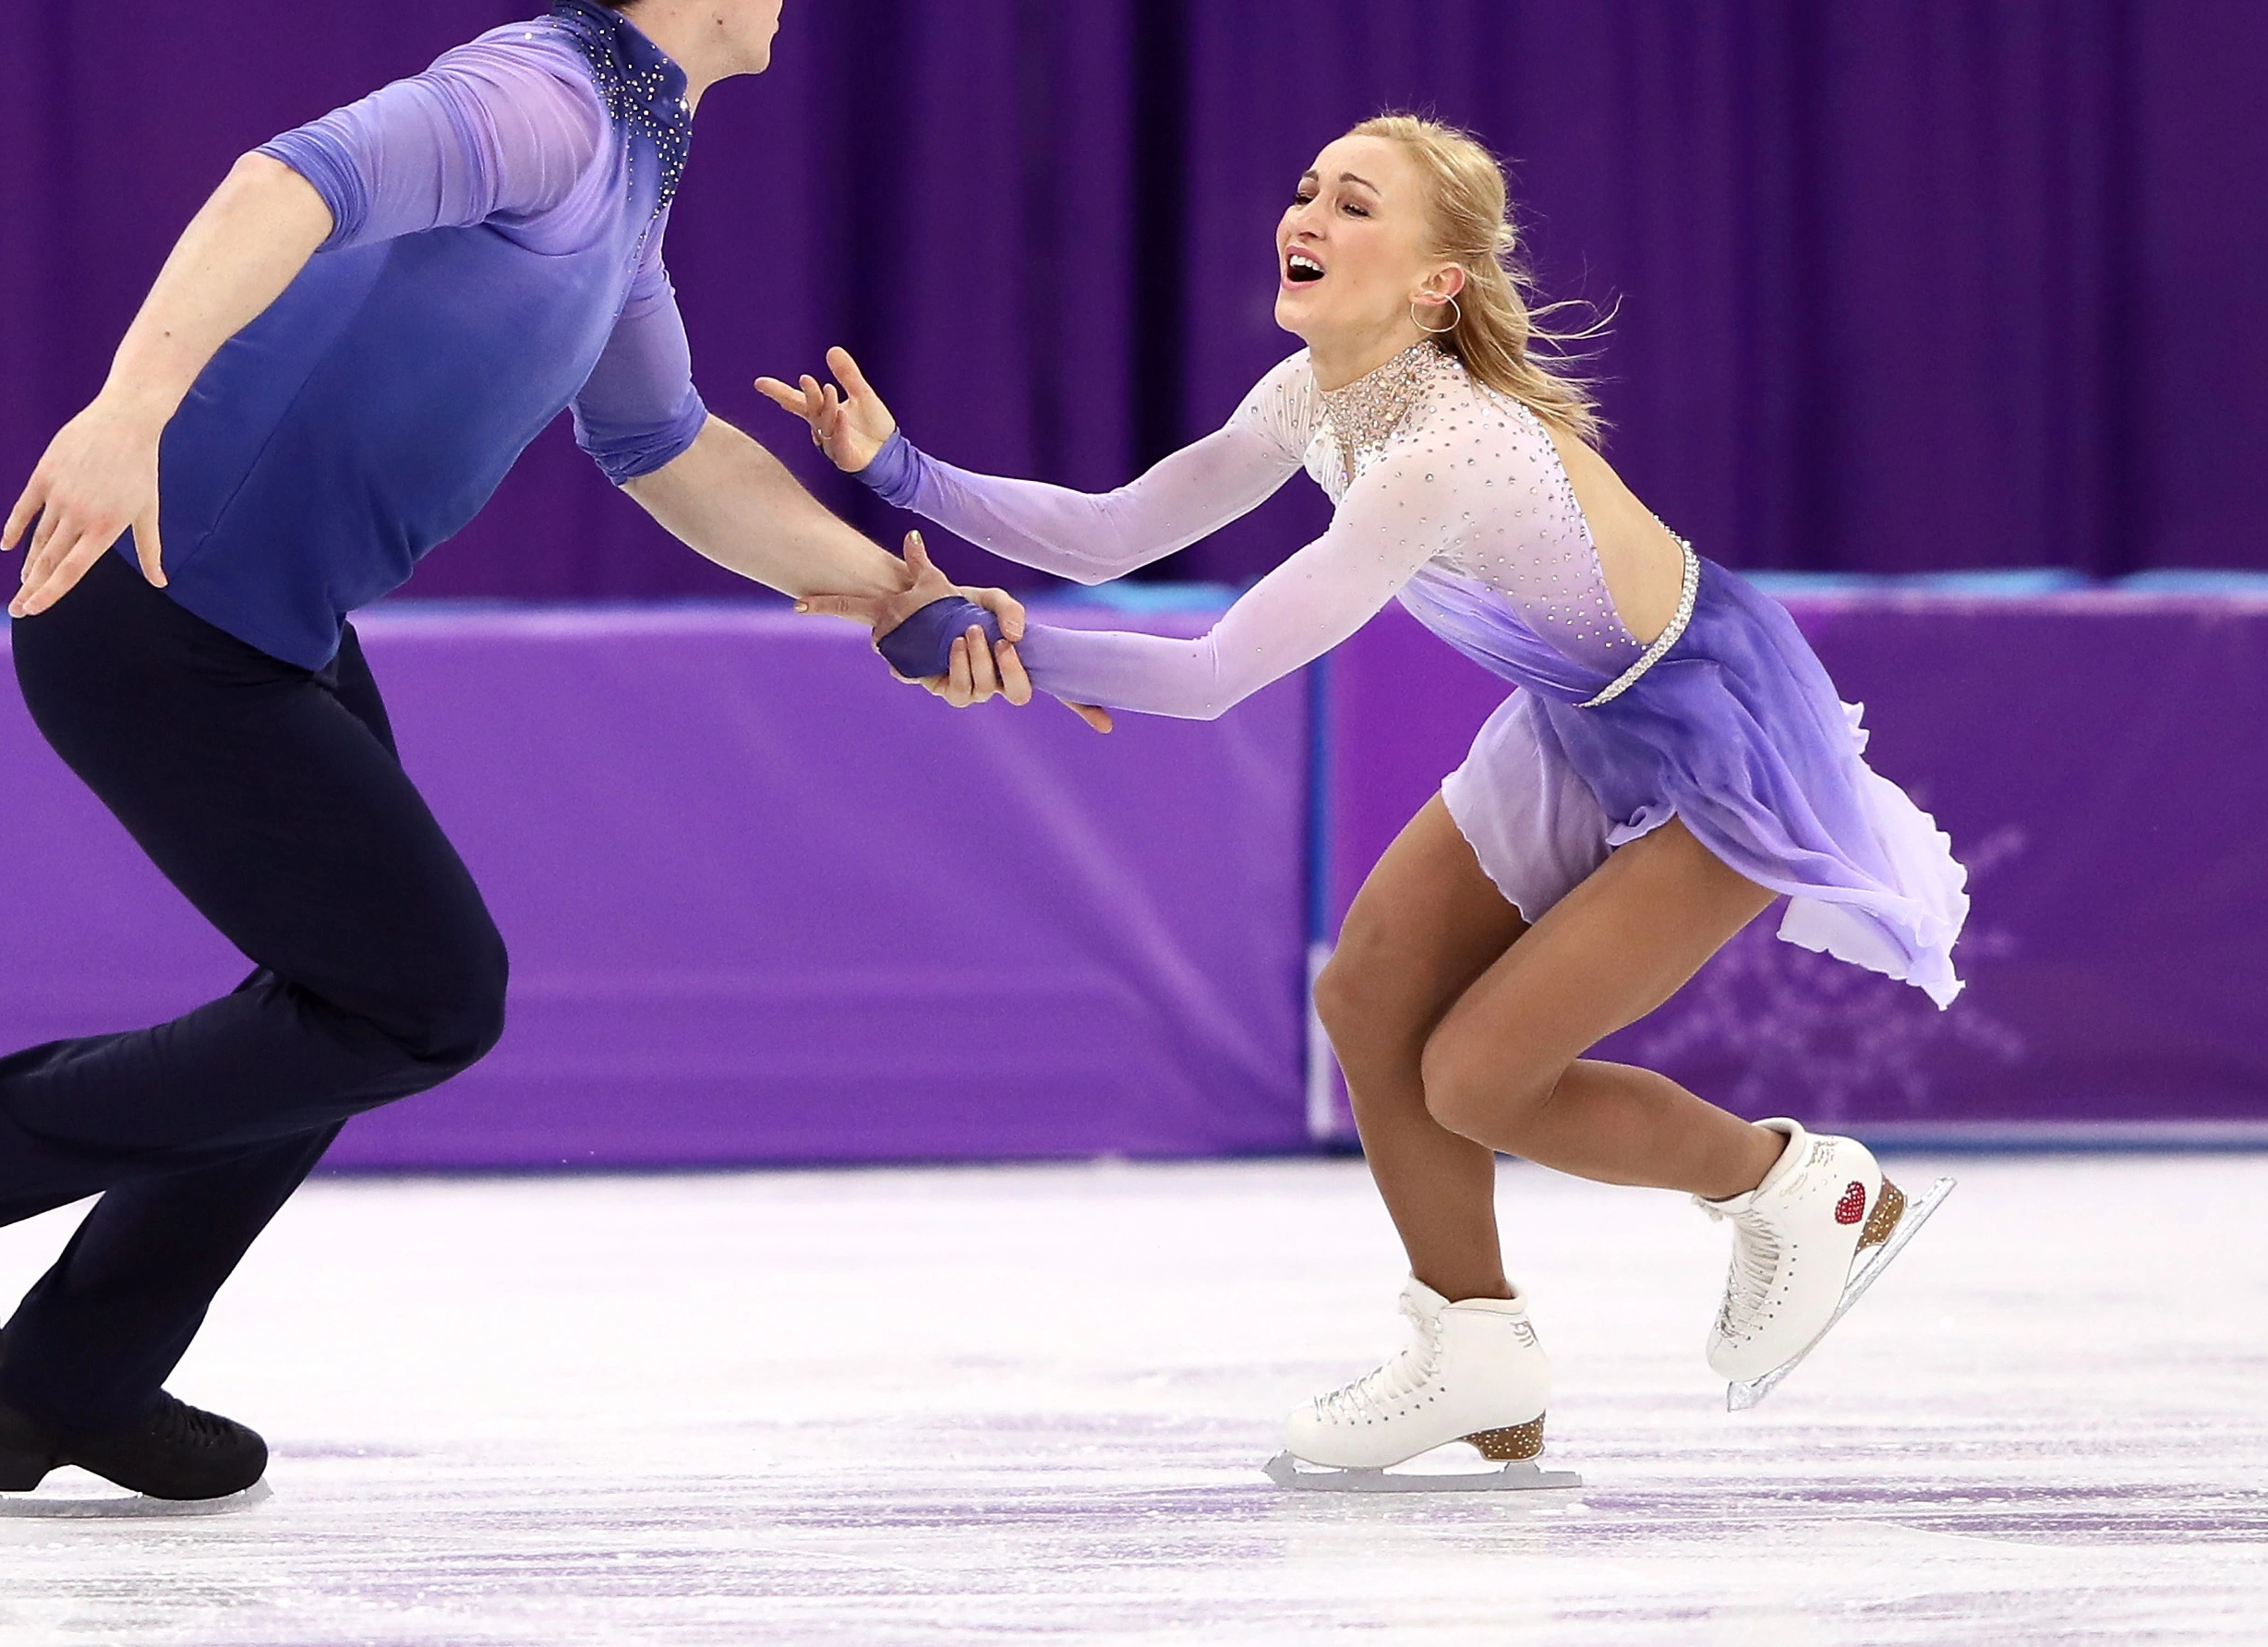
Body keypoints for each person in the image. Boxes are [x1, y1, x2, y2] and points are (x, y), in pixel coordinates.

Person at [0, 0, 1018, 1506]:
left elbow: (666, 450)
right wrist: (127, 407)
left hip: (266, 633)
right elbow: (284, 183)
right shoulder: (539, 99)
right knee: (426, 994)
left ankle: (65, 1374)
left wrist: (893, 588)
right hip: (150, 615)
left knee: (350, 1001)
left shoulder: (631, 159)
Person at [761, 111, 1969, 1476]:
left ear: (1435, 282)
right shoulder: (1310, 396)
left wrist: (1002, 650)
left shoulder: (1443, 452)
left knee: (1476, 1074)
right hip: (1581, 718)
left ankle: (1800, 1186)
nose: (1308, 218)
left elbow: (1219, 673)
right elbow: (1114, 528)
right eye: (1304, 193)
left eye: (1352, 205)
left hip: (1720, 738)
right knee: (1368, 997)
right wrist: (895, 474)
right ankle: (1475, 1350)